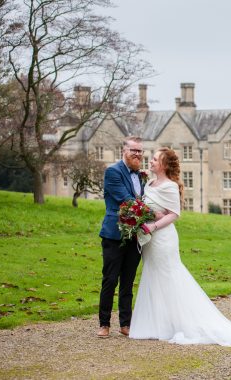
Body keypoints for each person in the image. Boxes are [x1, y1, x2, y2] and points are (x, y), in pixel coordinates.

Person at [129, 147, 231, 348]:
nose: (150, 161)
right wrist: (144, 216)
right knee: (153, 277)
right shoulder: (148, 183)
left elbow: (174, 213)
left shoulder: (169, 186)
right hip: (150, 240)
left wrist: (153, 225)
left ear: (164, 165)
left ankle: (183, 323)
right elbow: (149, 207)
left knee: (169, 277)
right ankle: (158, 325)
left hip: (162, 239)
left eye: (155, 159)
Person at [97, 136, 147, 338]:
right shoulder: (113, 172)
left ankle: (126, 324)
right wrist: (157, 214)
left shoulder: (141, 176)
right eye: (133, 150)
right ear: (123, 151)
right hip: (114, 234)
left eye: (140, 151)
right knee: (110, 280)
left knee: (128, 281)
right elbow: (126, 201)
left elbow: (142, 198)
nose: (137, 154)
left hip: (135, 237)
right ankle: (104, 324)